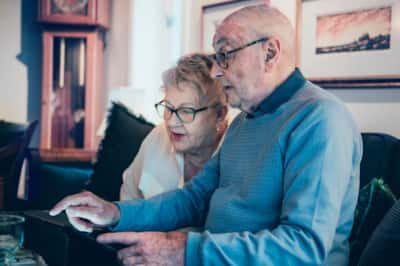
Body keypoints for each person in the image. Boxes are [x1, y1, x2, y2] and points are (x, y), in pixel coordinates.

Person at [50, 4, 363, 266]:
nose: (216, 71)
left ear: (270, 53)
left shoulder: (320, 118)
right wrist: (114, 212)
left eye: (225, 55)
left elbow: (303, 249)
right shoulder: (244, 123)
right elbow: (194, 199)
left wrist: (181, 250)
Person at [120, 53, 228, 200]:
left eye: (186, 111)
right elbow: (128, 198)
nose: (171, 122)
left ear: (219, 115)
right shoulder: (157, 137)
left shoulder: (239, 152)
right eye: (169, 108)